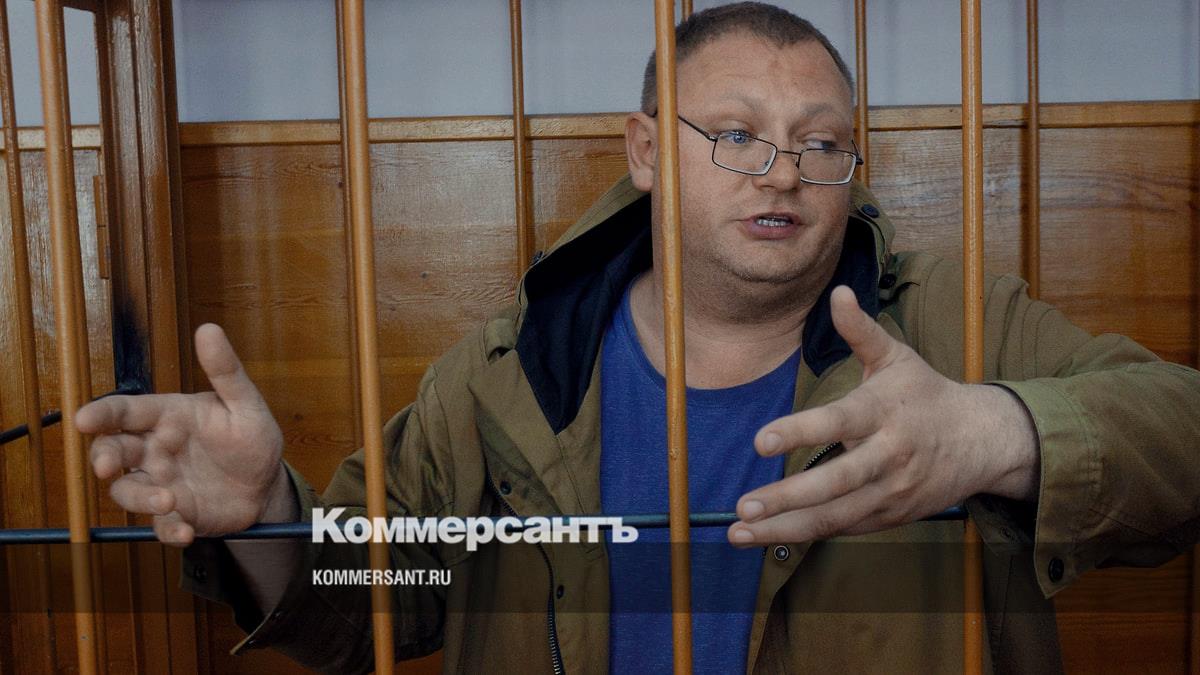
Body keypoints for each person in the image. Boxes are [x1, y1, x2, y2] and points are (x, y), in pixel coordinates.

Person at [76, 3, 1200, 674]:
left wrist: (993, 432)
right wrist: (266, 520)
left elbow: (1185, 434)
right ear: (648, 151)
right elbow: (382, 597)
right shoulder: (515, 366)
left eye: (821, 144)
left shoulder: (954, 321)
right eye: (737, 135)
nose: (784, 174)